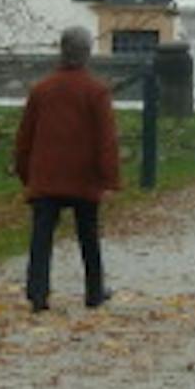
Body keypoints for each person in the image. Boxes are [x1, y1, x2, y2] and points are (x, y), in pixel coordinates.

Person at [13, 23, 123, 312]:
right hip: (83, 178)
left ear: (61, 52)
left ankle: (37, 292)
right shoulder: (97, 91)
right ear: (87, 54)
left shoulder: (41, 89)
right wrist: (109, 179)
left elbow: (25, 136)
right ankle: (94, 291)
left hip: (46, 176)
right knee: (88, 236)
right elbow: (106, 139)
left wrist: (25, 172)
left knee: (41, 237)